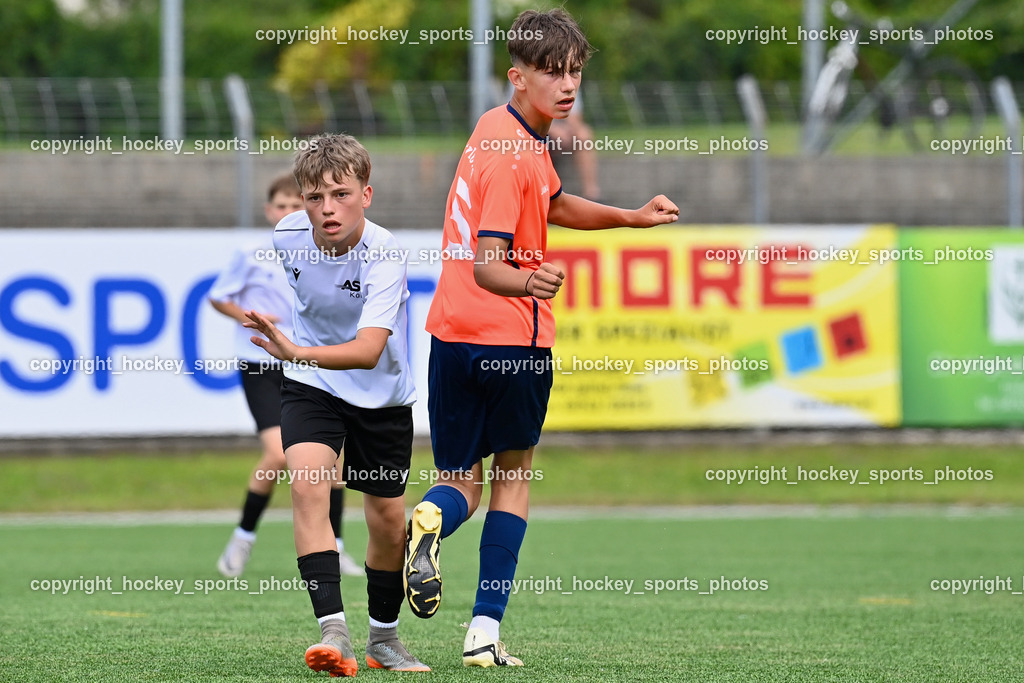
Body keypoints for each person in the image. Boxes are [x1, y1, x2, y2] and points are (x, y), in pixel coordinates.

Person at [403, 7, 679, 668]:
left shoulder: (500, 130)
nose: (567, 85)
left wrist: (630, 219)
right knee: (515, 480)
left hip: (450, 336)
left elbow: (551, 203)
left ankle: (431, 518)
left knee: (457, 483)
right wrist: (528, 283)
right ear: (516, 75)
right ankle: (483, 631)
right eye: (551, 72)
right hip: (510, 341)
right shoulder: (511, 158)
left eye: (574, 71)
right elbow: (488, 261)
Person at [243, 134, 428, 677]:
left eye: (340, 195)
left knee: (388, 520)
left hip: (380, 395)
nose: (327, 209)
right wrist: (297, 359)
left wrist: (296, 350)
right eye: (314, 197)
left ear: (366, 195)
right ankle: (334, 633)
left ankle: (385, 641)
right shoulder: (285, 235)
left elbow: (370, 352)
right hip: (310, 384)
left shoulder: (386, 255)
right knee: (306, 486)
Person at [210, 174, 361, 579]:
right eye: (280, 205)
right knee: (278, 454)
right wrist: (247, 316)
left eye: (297, 204)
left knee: (334, 462)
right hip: (261, 363)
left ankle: (338, 545)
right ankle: (243, 538)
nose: (288, 212)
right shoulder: (252, 252)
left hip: (308, 360)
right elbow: (219, 296)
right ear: (268, 210)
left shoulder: (325, 253)